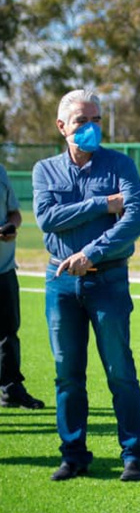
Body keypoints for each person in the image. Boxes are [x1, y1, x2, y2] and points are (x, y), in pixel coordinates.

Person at [32, 89, 140, 482]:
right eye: (82, 120)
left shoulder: (121, 164)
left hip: (108, 280)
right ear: (62, 126)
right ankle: (74, 454)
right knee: (67, 372)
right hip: (60, 283)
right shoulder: (44, 171)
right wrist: (102, 205)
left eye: (96, 119)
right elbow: (48, 219)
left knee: (120, 370)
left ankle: (133, 454)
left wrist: (92, 254)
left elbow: (136, 218)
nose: (90, 127)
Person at [0, 164, 45, 410]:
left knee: (8, 333)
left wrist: (12, 227)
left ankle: (10, 389)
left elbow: (15, 213)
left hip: (4, 268)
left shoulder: (1, 172)